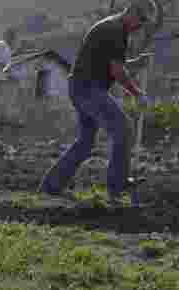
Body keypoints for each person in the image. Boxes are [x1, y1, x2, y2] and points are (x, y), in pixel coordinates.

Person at [39, 0, 156, 205]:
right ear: (133, 12)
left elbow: (112, 63)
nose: (142, 26)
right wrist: (137, 93)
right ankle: (117, 187)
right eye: (143, 20)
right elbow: (116, 71)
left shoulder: (112, 26)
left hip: (82, 87)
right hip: (88, 88)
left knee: (85, 142)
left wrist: (136, 63)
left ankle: (51, 186)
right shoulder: (116, 31)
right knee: (123, 129)